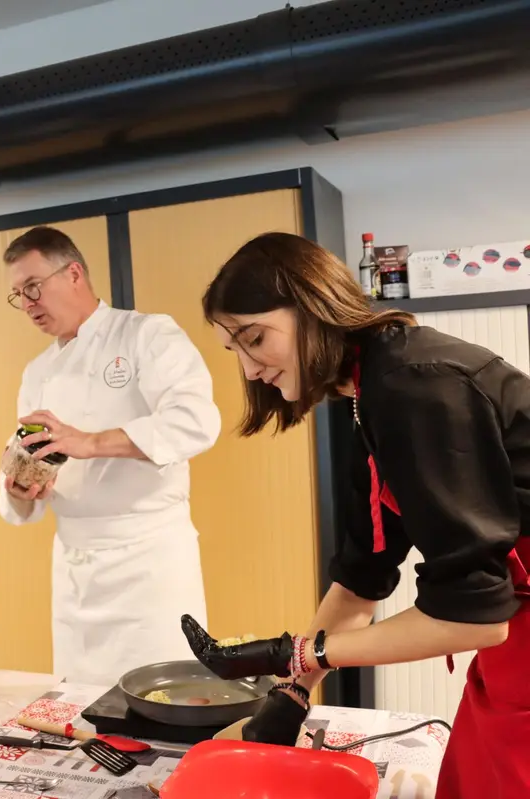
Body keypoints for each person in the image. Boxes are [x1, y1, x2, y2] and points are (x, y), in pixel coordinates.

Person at [184, 232, 530, 799]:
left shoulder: (416, 384)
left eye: (255, 338)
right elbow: (362, 576)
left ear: (312, 306)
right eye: (234, 350)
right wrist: (293, 692)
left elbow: (477, 617)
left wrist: (295, 650)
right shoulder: (366, 394)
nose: (248, 370)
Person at [0, 226, 221, 684]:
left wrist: (91, 442)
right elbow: (32, 476)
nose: (29, 304)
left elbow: (196, 421)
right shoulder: (37, 372)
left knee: (163, 697)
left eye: (34, 287)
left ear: (74, 273)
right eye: (19, 295)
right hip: (77, 570)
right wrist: (22, 489)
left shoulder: (146, 334)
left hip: (148, 564)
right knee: (84, 708)